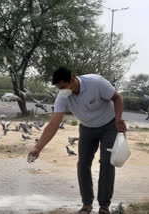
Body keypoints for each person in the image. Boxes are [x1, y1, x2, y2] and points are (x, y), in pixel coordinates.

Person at [27, 67, 127, 214]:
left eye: (62, 87)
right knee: (83, 164)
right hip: (86, 128)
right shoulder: (63, 96)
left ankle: (104, 206)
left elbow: (117, 98)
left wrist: (118, 119)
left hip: (109, 125)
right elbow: (53, 123)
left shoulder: (96, 83)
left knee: (106, 163)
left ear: (72, 80)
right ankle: (86, 204)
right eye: (58, 88)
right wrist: (38, 147)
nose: (61, 91)